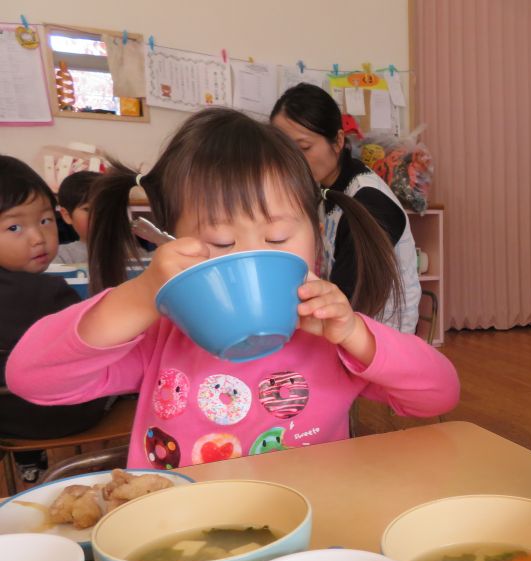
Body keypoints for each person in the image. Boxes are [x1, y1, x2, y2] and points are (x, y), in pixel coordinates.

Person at [6, 108, 459, 469]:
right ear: (170, 242)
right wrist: (143, 294)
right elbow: (30, 378)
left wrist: (356, 335)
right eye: (221, 241)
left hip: (307, 542)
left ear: (317, 239)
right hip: (180, 544)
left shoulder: (330, 339)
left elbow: (438, 393)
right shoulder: (162, 335)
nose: (249, 256)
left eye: (278, 238)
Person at [271, 83, 421, 334]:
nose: (293, 160)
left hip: (379, 344)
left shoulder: (368, 203)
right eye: (285, 151)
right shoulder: (325, 189)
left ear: (338, 140)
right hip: (345, 332)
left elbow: (349, 300)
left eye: (304, 148)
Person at [0, 156, 106, 482]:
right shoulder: (51, 291)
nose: (37, 238)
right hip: (64, 415)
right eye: (15, 227)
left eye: (45, 221)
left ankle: (29, 462)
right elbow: (89, 352)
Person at [54, 170, 99, 265]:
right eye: (87, 209)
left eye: (107, 208)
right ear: (67, 216)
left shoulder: (134, 252)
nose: (100, 215)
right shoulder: (59, 255)